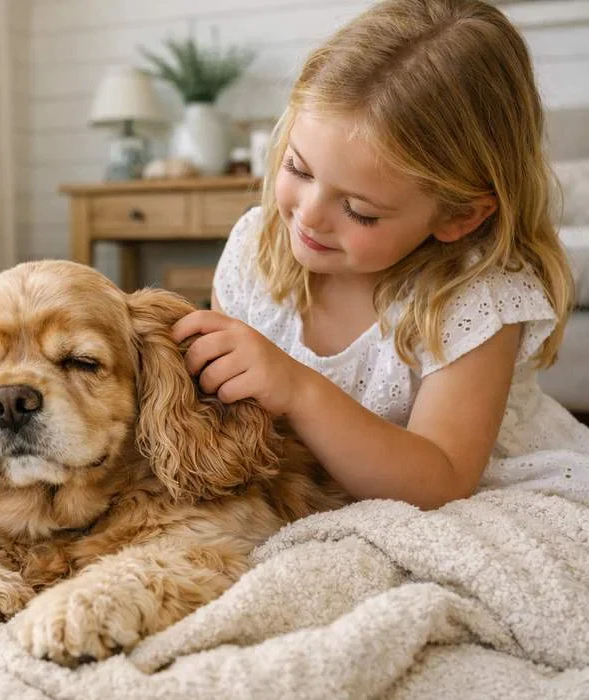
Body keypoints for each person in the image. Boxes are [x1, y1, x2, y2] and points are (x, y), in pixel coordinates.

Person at [174, 0, 588, 511]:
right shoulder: (255, 249)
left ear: (459, 216)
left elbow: (443, 482)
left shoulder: (478, 297)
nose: (309, 216)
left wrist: (299, 390)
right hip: (305, 489)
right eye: (299, 170)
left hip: (474, 490)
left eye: (359, 211)